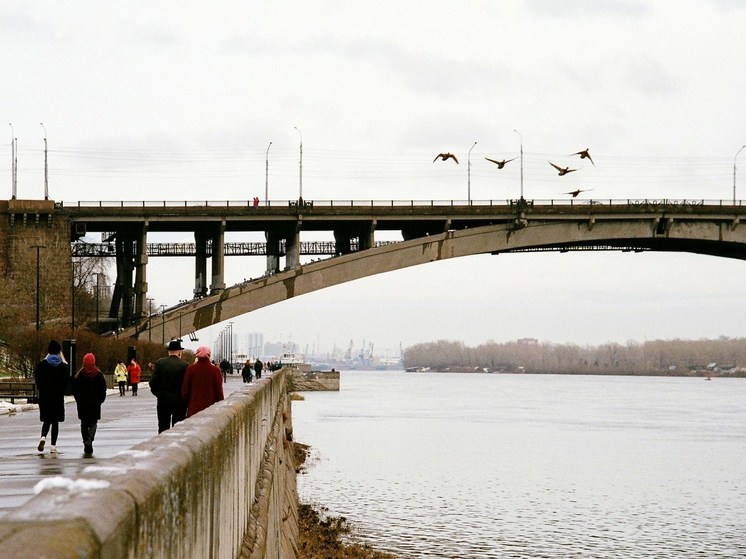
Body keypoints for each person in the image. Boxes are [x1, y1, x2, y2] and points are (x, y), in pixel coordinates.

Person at [34, 339, 69, 456]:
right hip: (57, 398)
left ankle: (43, 437)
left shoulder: (41, 365)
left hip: (45, 397)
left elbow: (38, 382)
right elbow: (66, 384)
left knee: (46, 420)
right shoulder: (63, 367)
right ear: (59, 351)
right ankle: (53, 446)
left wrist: (43, 390)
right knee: (55, 422)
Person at [150, 339, 189, 433]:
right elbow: (187, 385)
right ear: (179, 352)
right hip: (179, 401)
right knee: (178, 428)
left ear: (169, 351)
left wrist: (159, 394)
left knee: (163, 427)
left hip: (163, 400)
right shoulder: (185, 365)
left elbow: (152, 382)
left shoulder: (160, 363)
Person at [72, 353, 107, 455]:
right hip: (95, 404)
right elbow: (103, 389)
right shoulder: (98, 375)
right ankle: (90, 440)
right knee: (93, 423)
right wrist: (101, 400)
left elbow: (75, 390)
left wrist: (78, 400)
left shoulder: (79, 375)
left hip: (82, 404)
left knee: (83, 424)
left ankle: (85, 442)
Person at [182, 346, 224, 418]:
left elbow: (185, 390)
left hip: (194, 408)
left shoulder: (190, 369)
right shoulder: (215, 370)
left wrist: (188, 404)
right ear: (209, 355)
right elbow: (219, 392)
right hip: (211, 409)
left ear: (197, 355)